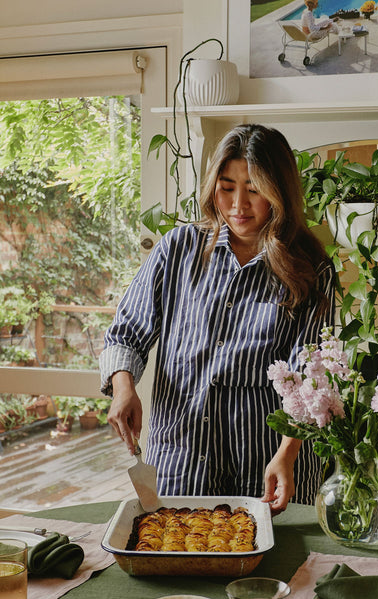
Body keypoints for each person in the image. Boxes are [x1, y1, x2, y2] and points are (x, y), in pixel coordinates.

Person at [99, 124, 336, 514]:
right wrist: (124, 389)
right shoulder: (178, 249)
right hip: (182, 461)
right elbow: (125, 333)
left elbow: (310, 378)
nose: (239, 204)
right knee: (180, 556)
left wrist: (288, 454)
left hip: (269, 465)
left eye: (255, 189)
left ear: (280, 191)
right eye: (227, 187)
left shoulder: (310, 269)